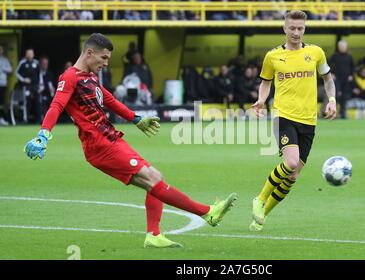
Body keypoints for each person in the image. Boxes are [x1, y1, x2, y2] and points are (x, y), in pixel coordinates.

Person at [23, 33, 237, 248]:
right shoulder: (69, 77)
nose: (106, 64)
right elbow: (57, 105)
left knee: (155, 178)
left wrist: (135, 119)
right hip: (100, 146)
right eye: (104, 58)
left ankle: (154, 235)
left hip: (111, 139)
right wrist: (43, 135)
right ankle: (208, 212)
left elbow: (109, 100)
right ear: (89, 53)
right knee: (153, 179)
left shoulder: (89, 77)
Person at [250, 11, 336, 231]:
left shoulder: (316, 52)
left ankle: (262, 216)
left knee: (294, 174)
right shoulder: (273, 56)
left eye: (300, 28)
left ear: (304, 29)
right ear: (284, 28)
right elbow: (266, 82)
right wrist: (261, 100)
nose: (296, 32)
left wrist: (332, 100)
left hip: (309, 120)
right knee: (290, 163)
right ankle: (259, 199)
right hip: (283, 116)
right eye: (292, 28)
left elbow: (327, 79)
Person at [329, 40, 354, 118]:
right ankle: (334, 113)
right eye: (341, 46)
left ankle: (343, 113)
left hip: (346, 80)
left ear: (346, 47)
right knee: (337, 96)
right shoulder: (335, 56)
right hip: (337, 79)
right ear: (338, 47)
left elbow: (353, 67)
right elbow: (327, 65)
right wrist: (331, 74)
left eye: (343, 46)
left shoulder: (349, 56)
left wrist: (351, 75)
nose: (342, 48)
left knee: (345, 96)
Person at [16, 48, 41, 123]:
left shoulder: (36, 63)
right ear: (26, 54)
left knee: (38, 102)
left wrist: (40, 84)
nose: (30, 55)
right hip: (26, 86)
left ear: (33, 54)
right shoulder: (22, 63)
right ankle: (25, 119)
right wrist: (24, 79)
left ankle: (39, 119)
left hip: (35, 86)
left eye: (31, 53)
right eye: (28, 53)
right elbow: (17, 73)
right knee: (27, 102)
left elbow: (40, 74)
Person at [0, 44, 12, 125]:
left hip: (2, 83)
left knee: (1, 102)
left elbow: (10, 69)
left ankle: (1, 118)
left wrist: (2, 68)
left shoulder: (5, 60)